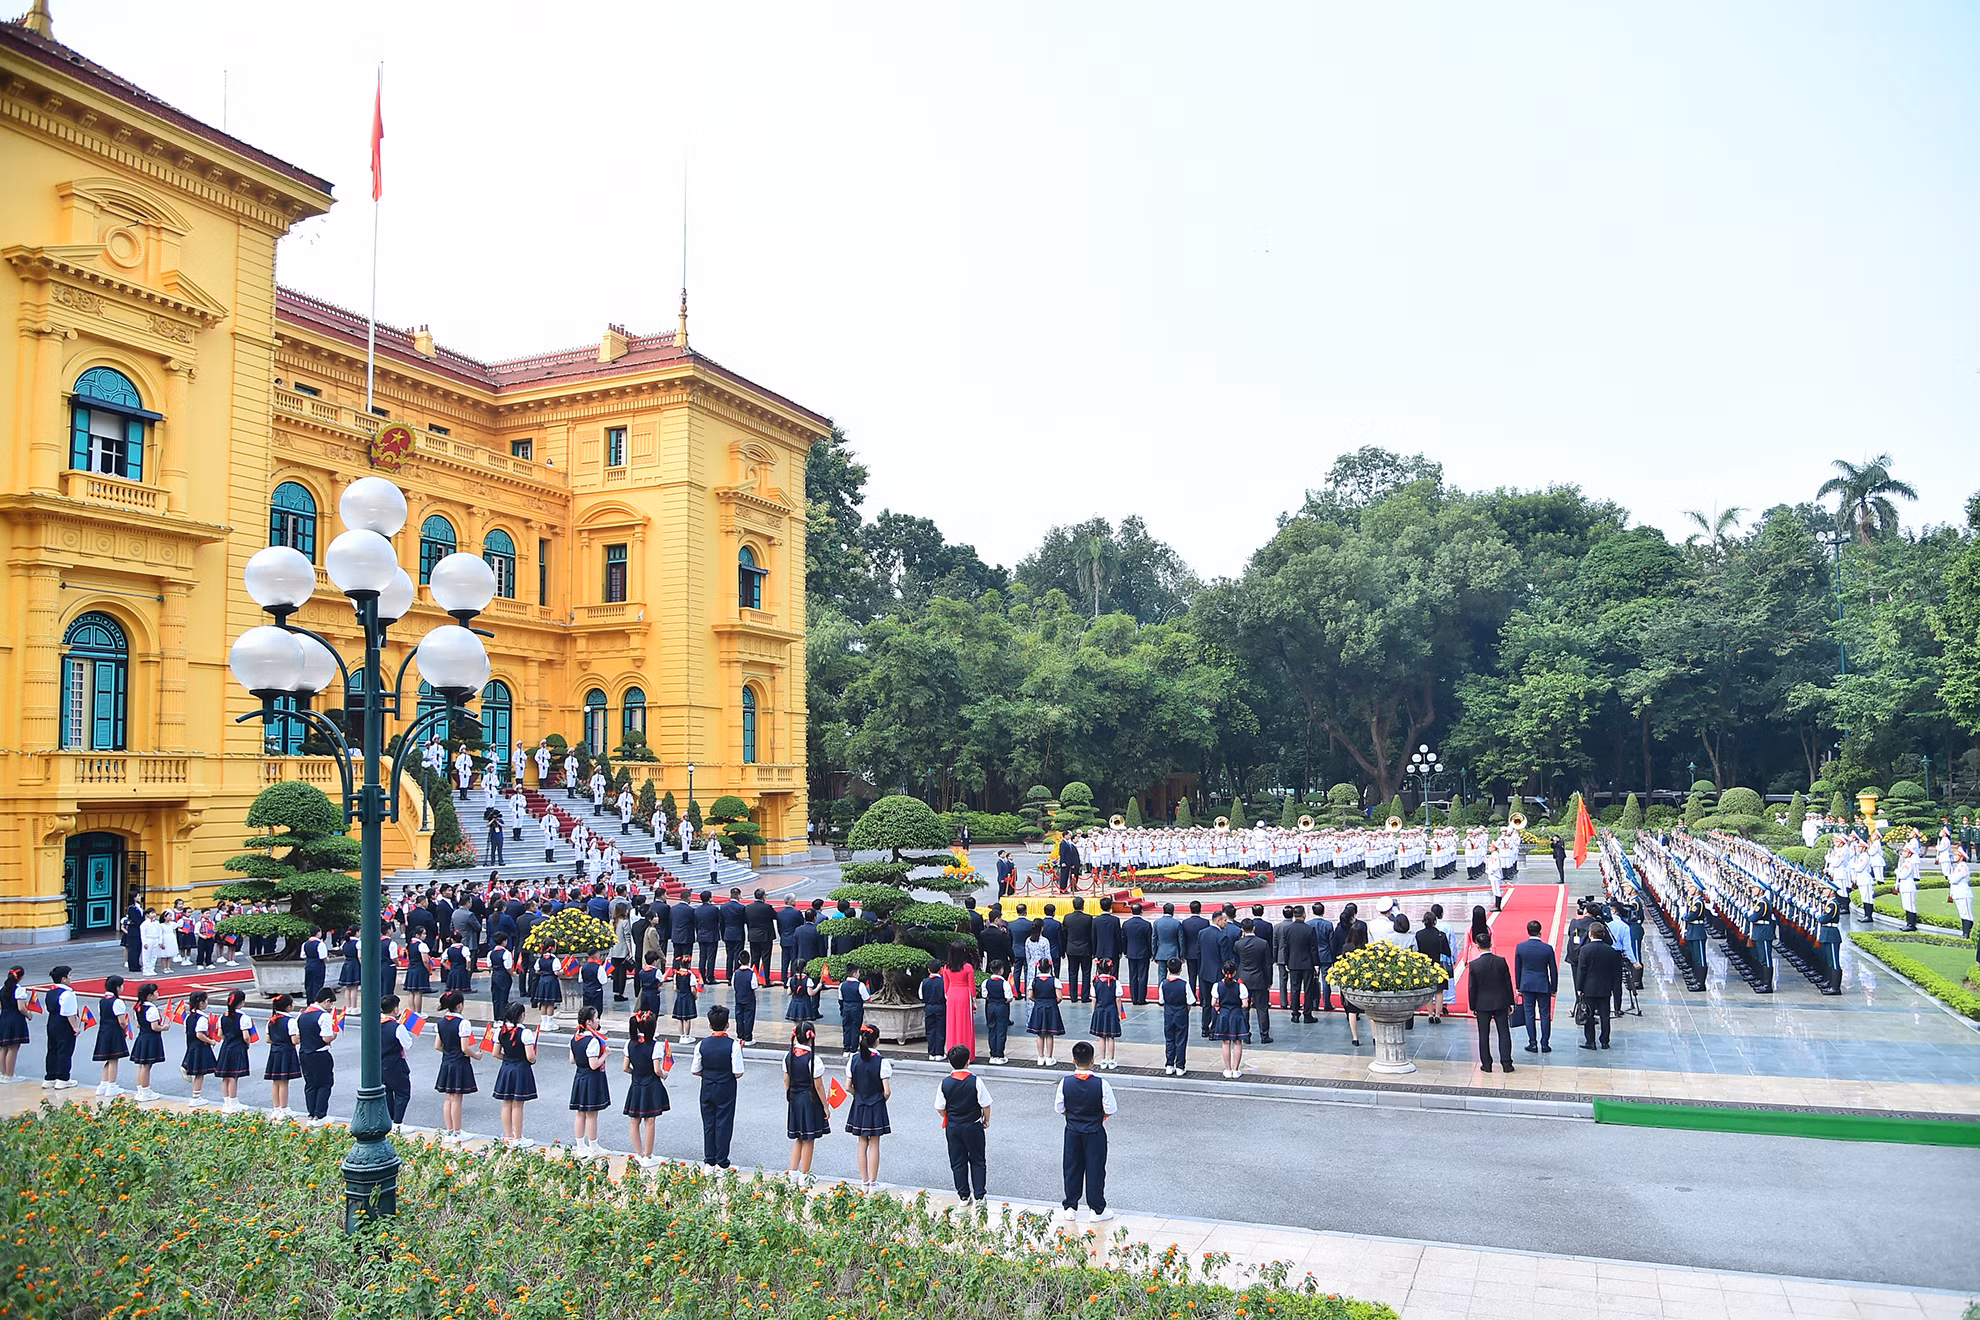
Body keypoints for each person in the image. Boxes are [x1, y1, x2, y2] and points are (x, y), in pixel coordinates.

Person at [1055, 1040, 1118, 1223]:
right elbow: (1110, 1108)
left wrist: (1073, 1115)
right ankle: (1096, 1209)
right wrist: (1099, 1116)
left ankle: (1070, 1207)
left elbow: (1059, 1108)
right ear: (1093, 1061)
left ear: (1073, 1060)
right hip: (1095, 1131)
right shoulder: (1102, 1084)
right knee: (1095, 1169)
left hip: (1073, 1130)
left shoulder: (1064, 1083)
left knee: (1071, 1167)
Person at [935, 1043, 992, 1206]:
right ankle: (979, 1195)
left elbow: (939, 1107)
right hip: (973, 1125)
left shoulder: (944, 1083)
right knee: (978, 1159)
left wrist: (948, 1116)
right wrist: (986, 1120)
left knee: (957, 1161)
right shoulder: (975, 1081)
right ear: (968, 1061)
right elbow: (985, 1104)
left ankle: (963, 1196)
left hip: (953, 1127)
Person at [692, 1003, 744, 1169]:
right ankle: (722, 1161)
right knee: (724, 1122)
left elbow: (695, 1070)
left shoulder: (701, 1044)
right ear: (728, 1025)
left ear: (709, 1025)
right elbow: (738, 1072)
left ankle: (709, 1160)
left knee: (708, 1123)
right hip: (726, 1086)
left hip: (707, 1085)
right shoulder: (733, 1045)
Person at [845, 1022, 893, 1186]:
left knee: (861, 1142)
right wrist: (880, 1099)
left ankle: (864, 1181)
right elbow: (887, 1091)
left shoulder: (854, 1059)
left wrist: (858, 1095)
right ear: (877, 1040)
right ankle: (873, 1182)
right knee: (874, 1143)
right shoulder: (881, 1062)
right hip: (876, 1105)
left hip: (859, 1103)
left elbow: (847, 1086)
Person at [622, 1008, 670, 1170]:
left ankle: (639, 1153)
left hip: (636, 1084)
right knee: (650, 1121)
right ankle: (649, 1156)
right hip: (651, 1085)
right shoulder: (656, 1046)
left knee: (634, 1120)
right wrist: (664, 1074)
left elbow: (625, 1067)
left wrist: (636, 1073)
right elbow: (657, 1069)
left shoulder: (630, 1043)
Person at [783, 1021, 831, 1181]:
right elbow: (819, 1086)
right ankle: (805, 1174)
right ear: (811, 1037)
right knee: (809, 1138)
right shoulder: (813, 1059)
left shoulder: (788, 1055)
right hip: (809, 1100)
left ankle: (793, 1172)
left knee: (799, 1136)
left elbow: (786, 1081)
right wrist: (825, 1106)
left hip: (794, 1099)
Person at [432, 989, 477, 1145]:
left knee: (448, 1098)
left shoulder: (441, 1022)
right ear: (460, 1006)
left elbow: (437, 1046)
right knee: (457, 1098)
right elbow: (465, 1048)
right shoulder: (463, 1023)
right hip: (459, 1062)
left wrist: (449, 1052)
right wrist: (476, 1055)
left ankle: (449, 1130)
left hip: (446, 1061)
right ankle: (457, 1132)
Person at [566, 1004, 611, 1159]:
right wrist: (605, 1054)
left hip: (579, 1076)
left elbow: (572, 1060)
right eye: (596, 1018)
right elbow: (594, 1065)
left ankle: (580, 1146)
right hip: (591, 1079)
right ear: (589, 1023)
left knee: (580, 1113)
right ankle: (593, 1147)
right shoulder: (592, 1041)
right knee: (592, 1114)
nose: (598, 1020)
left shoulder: (575, 1038)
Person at [1467, 931, 1516, 1074]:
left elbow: (1472, 988)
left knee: (1484, 1034)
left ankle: (1486, 1064)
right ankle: (1506, 1063)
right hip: (1501, 1002)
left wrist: (1473, 1006)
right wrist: (1511, 1002)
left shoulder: (1475, 965)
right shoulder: (1501, 961)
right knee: (1504, 1032)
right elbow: (1508, 983)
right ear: (1491, 944)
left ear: (1477, 946)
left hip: (1482, 1004)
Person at [492, 1001, 540, 1149]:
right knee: (518, 1105)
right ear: (522, 1016)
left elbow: (495, 1053)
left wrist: (508, 1058)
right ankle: (518, 1138)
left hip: (506, 1067)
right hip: (520, 1068)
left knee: (506, 1103)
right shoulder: (525, 1033)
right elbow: (530, 1057)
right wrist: (531, 1059)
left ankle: (508, 1136)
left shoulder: (500, 1031)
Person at [1574, 922, 1625, 1050]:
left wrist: (1579, 988)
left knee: (1589, 1015)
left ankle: (1590, 1041)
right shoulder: (1611, 951)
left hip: (1588, 988)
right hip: (1605, 988)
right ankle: (1605, 1041)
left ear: (1590, 934)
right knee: (1605, 1016)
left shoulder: (1585, 950)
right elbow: (1615, 973)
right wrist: (1614, 989)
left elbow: (1581, 970)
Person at [1513, 920, 1559, 1054]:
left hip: (1526, 984)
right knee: (1545, 1015)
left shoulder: (1521, 947)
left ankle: (1532, 1043)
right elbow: (1553, 970)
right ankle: (1545, 1044)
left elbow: (1518, 968)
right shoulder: (1547, 948)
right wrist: (1554, 988)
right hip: (1543, 984)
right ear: (1540, 931)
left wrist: (1518, 986)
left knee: (1529, 1014)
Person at [297, 988, 340, 1126]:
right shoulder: (323, 1016)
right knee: (324, 1084)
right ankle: (320, 1115)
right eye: (330, 1004)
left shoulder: (302, 1015)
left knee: (310, 1084)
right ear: (326, 1001)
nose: (330, 1007)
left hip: (304, 1053)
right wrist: (334, 1035)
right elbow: (326, 1038)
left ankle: (311, 1114)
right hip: (320, 1053)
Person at [214, 989, 255, 1115]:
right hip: (237, 1048)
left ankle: (226, 1103)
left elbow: (220, 1034)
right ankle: (234, 1102)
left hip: (226, 1047)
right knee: (233, 1076)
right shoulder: (244, 1017)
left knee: (225, 1076)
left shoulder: (223, 1016)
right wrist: (247, 1044)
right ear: (242, 1002)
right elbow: (246, 1036)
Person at [377, 994, 414, 1132]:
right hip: (395, 1062)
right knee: (403, 1092)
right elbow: (407, 1044)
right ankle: (398, 1123)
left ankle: (390, 1120)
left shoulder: (375, 1023)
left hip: (380, 1062)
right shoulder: (397, 1027)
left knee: (387, 1092)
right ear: (395, 1010)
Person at [91, 974, 131, 1099]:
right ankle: (112, 1085)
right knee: (114, 1059)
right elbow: (122, 1021)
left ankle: (103, 1084)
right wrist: (125, 1029)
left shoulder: (103, 1000)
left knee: (109, 1059)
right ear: (118, 987)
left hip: (104, 1031)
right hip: (114, 1032)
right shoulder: (117, 1002)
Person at [1234, 919, 1274, 1043]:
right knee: (1262, 1008)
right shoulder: (1262, 943)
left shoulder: (1238, 944)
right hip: (1259, 979)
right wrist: (1269, 981)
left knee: (1244, 1008)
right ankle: (1264, 1035)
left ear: (1242, 930)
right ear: (1254, 928)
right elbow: (1268, 964)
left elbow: (1236, 961)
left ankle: (1245, 1035)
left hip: (1244, 979)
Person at [1211, 962, 1250, 1079]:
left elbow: (1213, 1003)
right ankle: (1236, 1070)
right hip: (1236, 1015)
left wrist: (1221, 1004)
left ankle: (1227, 1069)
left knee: (1225, 1042)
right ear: (1235, 973)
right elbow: (1245, 1004)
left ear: (1223, 971)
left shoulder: (1217, 986)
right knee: (1237, 1042)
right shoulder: (1240, 986)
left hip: (1223, 1015)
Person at [130, 982, 168, 1103]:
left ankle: (140, 1090)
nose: (158, 994)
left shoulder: (138, 1007)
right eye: (156, 992)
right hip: (151, 1038)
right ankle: (146, 1091)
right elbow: (155, 1027)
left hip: (142, 1036)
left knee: (141, 1065)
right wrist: (164, 1027)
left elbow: (137, 1024)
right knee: (146, 1065)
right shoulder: (151, 1008)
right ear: (150, 996)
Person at [179, 989, 218, 1107]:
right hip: (200, 1047)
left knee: (198, 1071)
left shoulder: (189, 1017)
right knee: (199, 1073)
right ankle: (196, 1096)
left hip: (191, 1045)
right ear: (201, 1003)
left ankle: (185, 1066)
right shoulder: (202, 1018)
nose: (207, 1003)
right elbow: (199, 1034)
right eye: (206, 1001)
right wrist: (210, 1041)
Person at [1413, 912, 1452, 1025]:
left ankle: (1430, 1014)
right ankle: (1438, 1015)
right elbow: (1447, 952)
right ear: (1435, 921)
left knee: (1429, 991)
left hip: (1425, 966)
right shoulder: (1441, 935)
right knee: (1439, 991)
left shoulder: (1419, 934)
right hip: (1438, 965)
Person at [942, 941, 978, 1063]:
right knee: (965, 1024)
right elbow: (972, 987)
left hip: (952, 994)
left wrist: (949, 997)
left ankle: (951, 1052)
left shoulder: (946, 967)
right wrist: (974, 1001)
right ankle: (967, 1054)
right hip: (964, 995)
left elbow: (945, 988)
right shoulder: (968, 967)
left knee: (952, 1024)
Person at [1027, 958, 1066, 1067]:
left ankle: (1040, 1057)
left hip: (1039, 1007)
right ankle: (1049, 1058)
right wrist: (1053, 1002)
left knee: (1040, 1034)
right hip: (1051, 1008)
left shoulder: (1034, 980)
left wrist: (1038, 1001)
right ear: (1050, 968)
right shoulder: (1055, 980)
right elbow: (1060, 997)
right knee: (1049, 1034)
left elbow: (1030, 996)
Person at [1158, 958, 1191, 1076]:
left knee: (1169, 1039)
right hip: (1181, 1012)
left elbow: (1161, 1000)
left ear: (1168, 969)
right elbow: (1190, 1001)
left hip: (1169, 1013)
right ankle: (1180, 1066)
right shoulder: (1184, 984)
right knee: (1181, 1039)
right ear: (1181, 969)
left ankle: (1169, 1064)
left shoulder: (1164, 984)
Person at [1088, 958, 1122, 1069]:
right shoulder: (1115, 982)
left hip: (1100, 1010)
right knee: (1111, 1037)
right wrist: (1119, 1013)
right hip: (1111, 1011)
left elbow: (1094, 999)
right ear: (1111, 968)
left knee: (1101, 1037)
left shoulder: (1095, 982)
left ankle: (1102, 1060)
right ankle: (1111, 1060)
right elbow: (1118, 999)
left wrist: (1094, 1013)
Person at [1121, 902, 1154, 1005]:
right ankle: (1141, 998)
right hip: (1143, 953)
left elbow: (1123, 939)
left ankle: (1134, 998)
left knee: (1133, 976)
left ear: (1131, 911)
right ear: (1141, 911)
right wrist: (1151, 952)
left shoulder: (1126, 924)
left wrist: (1125, 951)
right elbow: (1150, 941)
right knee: (1143, 976)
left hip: (1131, 952)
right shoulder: (1146, 924)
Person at [982, 961, 1013, 1065]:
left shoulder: (986, 982)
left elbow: (984, 995)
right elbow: (1009, 998)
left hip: (990, 1006)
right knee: (1001, 1030)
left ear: (991, 970)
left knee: (991, 1029)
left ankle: (993, 1054)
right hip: (1001, 1006)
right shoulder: (1004, 983)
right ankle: (1000, 1055)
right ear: (1001, 970)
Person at [670, 955, 703, 1043]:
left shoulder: (676, 974)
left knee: (680, 1018)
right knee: (687, 1018)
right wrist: (695, 996)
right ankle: (687, 1036)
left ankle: (682, 1036)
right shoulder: (690, 975)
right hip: (687, 997)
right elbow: (693, 989)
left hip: (680, 997)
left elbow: (675, 988)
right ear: (688, 965)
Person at [919, 962, 947, 1061]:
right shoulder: (943, 981)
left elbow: (921, 996)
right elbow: (946, 996)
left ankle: (931, 1053)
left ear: (928, 970)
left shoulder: (924, 981)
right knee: (940, 1029)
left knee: (930, 1030)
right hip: (940, 1006)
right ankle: (939, 1053)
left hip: (929, 1007)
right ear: (940, 970)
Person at [838, 968, 870, 1055]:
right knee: (855, 1028)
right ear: (855, 974)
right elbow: (866, 998)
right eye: (859, 972)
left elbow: (840, 999)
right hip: (856, 1008)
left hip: (846, 1008)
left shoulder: (842, 985)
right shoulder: (860, 985)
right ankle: (853, 1049)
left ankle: (846, 1049)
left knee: (846, 1028)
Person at [731, 956, 759, 1045]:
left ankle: (740, 1036)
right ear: (749, 961)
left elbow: (733, 984)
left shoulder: (736, 973)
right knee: (749, 1017)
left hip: (739, 998)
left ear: (739, 961)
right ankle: (748, 1038)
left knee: (739, 1017)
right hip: (749, 999)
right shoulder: (751, 973)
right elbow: (754, 986)